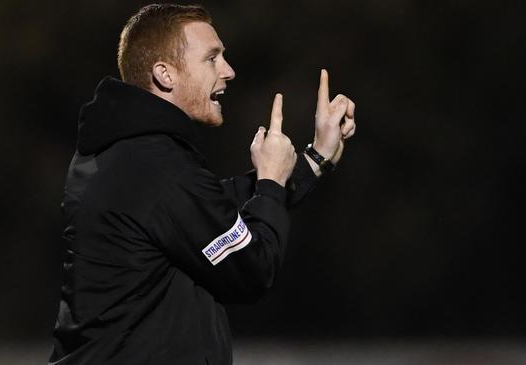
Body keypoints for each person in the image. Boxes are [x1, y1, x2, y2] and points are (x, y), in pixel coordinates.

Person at [49, 4, 355, 364]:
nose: (229, 71)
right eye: (212, 58)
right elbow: (251, 270)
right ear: (165, 74)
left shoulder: (127, 154)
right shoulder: (157, 166)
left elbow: (212, 209)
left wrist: (313, 160)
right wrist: (270, 182)